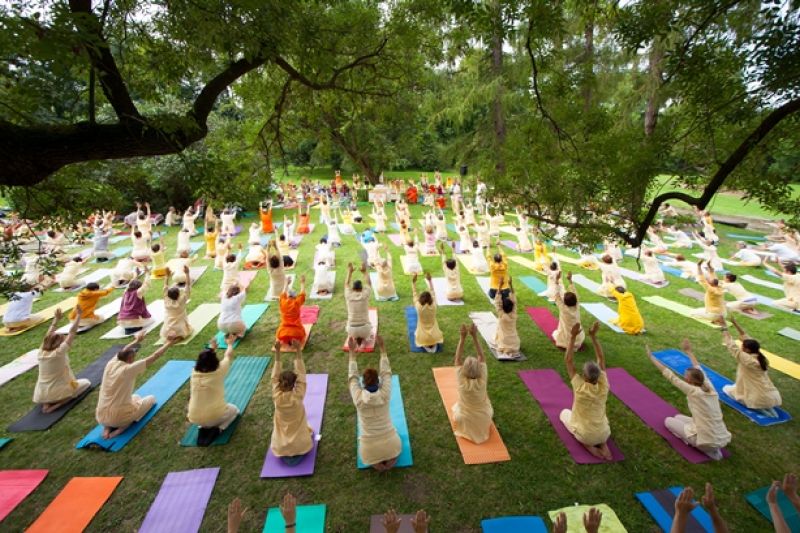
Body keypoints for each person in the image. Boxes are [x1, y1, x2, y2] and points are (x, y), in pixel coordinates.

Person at [646, 339, 731, 460]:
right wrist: (689, 352)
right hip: (720, 436)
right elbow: (698, 368)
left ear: (689, 380)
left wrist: (651, 357)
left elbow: (670, 375)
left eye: (685, 376)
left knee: (668, 421)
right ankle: (713, 446)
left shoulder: (693, 391)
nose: (684, 377)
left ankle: (710, 451)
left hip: (706, 441)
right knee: (678, 417)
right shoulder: (710, 388)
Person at [95, 331, 175, 439]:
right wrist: (169, 343)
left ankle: (107, 428)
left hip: (100, 416)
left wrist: (136, 340)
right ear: (130, 359)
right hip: (119, 418)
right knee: (151, 399)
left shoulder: (111, 363)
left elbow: (124, 350)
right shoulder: (128, 369)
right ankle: (120, 429)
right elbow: (155, 356)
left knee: (135, 397)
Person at [559, 322, 613, 460]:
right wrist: (593, 336)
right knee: (599, 422)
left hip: (586, 435)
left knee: (564, 413)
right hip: (604, 433)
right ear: (599, 375)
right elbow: (601, 359)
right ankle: (603, 445)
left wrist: (573, 337)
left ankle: (590, 447)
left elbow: (568, 361)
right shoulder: (604, 385)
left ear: (584, 376)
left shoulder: (579, 387)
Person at [348, 335, 401, 471]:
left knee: (370, 456)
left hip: (369, 448)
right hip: (391, 443)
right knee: (394, 450)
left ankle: (376, 464)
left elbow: (352, 377)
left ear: (363, 383)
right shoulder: (385, 394)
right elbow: (386, 373)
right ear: (378, 382)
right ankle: (391, 460)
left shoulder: (358, 398)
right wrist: (382, 349)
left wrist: (352, 353)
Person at [720, 317, 782, 416]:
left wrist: (724, 326)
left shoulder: (747, 359)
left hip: (758, 398)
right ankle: (769, 409)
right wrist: (735, 323)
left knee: (726, 389)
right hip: (772, 396)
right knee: (738, 387)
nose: (741, 347)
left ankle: (762, 410)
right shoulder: (759, 355)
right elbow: (746, 337)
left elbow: (731, 345)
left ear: (748, 350)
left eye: (743, 346)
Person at [33, 308, 91, 413]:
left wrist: (56, 319)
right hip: (59, 393)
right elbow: (72, 332)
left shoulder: (41, 352)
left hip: (41, 394)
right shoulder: (59, 352)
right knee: (86, 383)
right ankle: (58, 404)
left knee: (51, 392)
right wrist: (79, 315)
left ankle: (46, 403)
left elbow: (48, 335)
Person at [188, 336, 241, 445]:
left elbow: (205, 359)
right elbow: (228, 355)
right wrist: (230, 343)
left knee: (208, 413)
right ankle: (219, 429)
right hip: (215, 416)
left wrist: (212, 348)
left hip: (194, 417)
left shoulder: (193, 372)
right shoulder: (218, 371)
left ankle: (203, 427)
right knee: (235, 410)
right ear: (215, 362)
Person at [270, 339, 314, 465]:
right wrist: (298, 350)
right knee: (307, 430)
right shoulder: (298, 396)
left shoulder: (276, 397)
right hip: (301, 445)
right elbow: (302, 374)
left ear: (279, 383)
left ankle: (288, 451)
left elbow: (274, 377)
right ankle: (296, 450)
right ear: (294, 383)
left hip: (281, 447)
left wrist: (278, 352)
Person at [451, 323, 494, 444]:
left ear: (463, 370)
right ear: (480, 369)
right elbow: (481, 356)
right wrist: (474, 336)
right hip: (485, 416)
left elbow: (457, 359)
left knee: (457, 413)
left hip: (464, 418)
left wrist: (462, 338)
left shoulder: (462, 382)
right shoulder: (482, 380)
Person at [411, 273, 443, 352]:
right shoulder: (434, 305)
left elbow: (414, 294)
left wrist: (413, 282)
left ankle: (427, 344)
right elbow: (432, 292)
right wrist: (430, 281)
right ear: (430, 299)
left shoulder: (418, 307)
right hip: (435, 337)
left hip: (422, 338)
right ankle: (431, 343)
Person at [160, 266, 194, 343]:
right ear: (178, 295)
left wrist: (167, 276)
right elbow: (187, 286)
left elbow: (165, 287)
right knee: (186, 332)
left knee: (171, 330)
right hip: (179, 328)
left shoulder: (166, 300)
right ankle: (177, 338)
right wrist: (187, 273)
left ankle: (171, 338)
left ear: (168, 295)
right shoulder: (182, 300)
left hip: (167, 328)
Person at [552, 272, 584, 349]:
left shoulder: (563, 308)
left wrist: (557, 280)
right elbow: (574, 292)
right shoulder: (577, 305)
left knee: (555, 334)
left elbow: (556, 295)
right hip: (578, 339)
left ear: (565, 302)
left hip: (567, 341)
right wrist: (570, 280)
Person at [345, 263, 373, 346]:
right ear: (362, 288)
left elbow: (346, 284)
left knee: (352, 329)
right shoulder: (365, 295)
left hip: (351, 330)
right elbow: (369, 283)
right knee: (368, 328)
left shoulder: (348, 295)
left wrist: (349, 272)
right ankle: (363, 337)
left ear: (352, 288)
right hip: (365, 330)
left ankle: (355, 337)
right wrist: (364, 272)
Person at [276, 276, 307, 346]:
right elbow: (302, 294)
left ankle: (287, 340)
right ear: (295, 297)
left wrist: (286, 283)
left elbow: (283, 293)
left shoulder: (283, 302)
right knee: (301, 333)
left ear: (287, 296)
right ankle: (293, 340)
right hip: (297, 333)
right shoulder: (296, 303)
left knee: (279, 333)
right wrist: (302, 283)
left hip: (283, 333)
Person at [494, 278, 520, 357]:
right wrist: (510, 284)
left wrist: (500, 285)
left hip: (503, 344)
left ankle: (506, 348)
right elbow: (514, 301)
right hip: (515, 344)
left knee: (498, 334)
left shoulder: (501, 314)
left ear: (503, 307)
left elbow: (497, 302)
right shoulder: (514, 313)